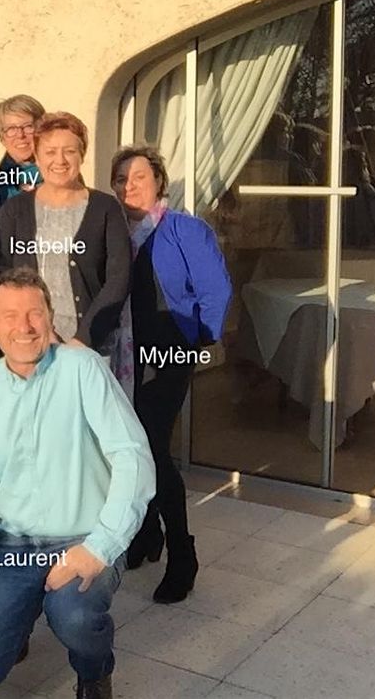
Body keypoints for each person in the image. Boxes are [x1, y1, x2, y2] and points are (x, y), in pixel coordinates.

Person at [0, 269, 154, 699]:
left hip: (84, 536)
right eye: (10, 315)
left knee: (75, 617)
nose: (24, 327)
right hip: (13, 548)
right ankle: (20, 615)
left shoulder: (83, 369)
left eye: (34, 313)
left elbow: (133, 457)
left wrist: (100, 547)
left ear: (50, 317)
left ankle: (94, 669)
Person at [111, 145, 231, 604]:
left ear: (159, 181)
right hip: (121, 353)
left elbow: (216, 290)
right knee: (128, 446)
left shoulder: (184, 229)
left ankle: (183, 551)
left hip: (167, 351)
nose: (129, 186)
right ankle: (147, 534)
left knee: (152, 448)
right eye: (121, 179)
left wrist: (196, 344)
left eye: (139, 177)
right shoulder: (111, 230)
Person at [0, 112, 130, 354]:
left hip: (92, 348)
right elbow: (3, 273)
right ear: (37, 156)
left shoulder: (106, 208)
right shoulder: (14, 210)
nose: (60, 160)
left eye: (69, 151)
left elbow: (118, 279)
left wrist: (83, 339)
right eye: (50, 152)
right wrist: (41, 332)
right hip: (31, 342)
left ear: (82, 155)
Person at [0, 95, 45, 204]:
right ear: (2, 138)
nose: (20, 135)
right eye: (11, 129)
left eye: (28, 126)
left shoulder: (62, 175)